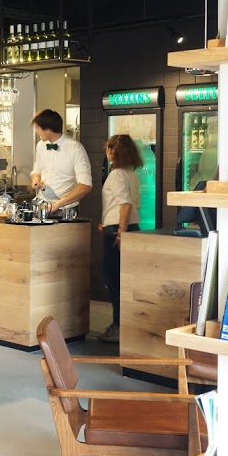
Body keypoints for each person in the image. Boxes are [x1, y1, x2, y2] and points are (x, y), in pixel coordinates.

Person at [97, 134, 143, 344]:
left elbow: (125, 204)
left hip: (119, 230)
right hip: (128, 226)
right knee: (125, 279)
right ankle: (126, 325)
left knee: (114, 279)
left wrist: (119, 230)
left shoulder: (116, 175)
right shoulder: (131, 174)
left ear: (112, 151)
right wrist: (109, 221)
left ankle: (118, 327)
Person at [30, 109, 92, 212]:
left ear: (48, 129)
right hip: (42, 206)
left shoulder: (75, 148)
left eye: (37, 128)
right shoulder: (40, 146)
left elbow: (85, 186)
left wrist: (58, 204)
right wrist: (35, 179)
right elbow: (36, 171)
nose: (36, 131)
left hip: (66, 210)